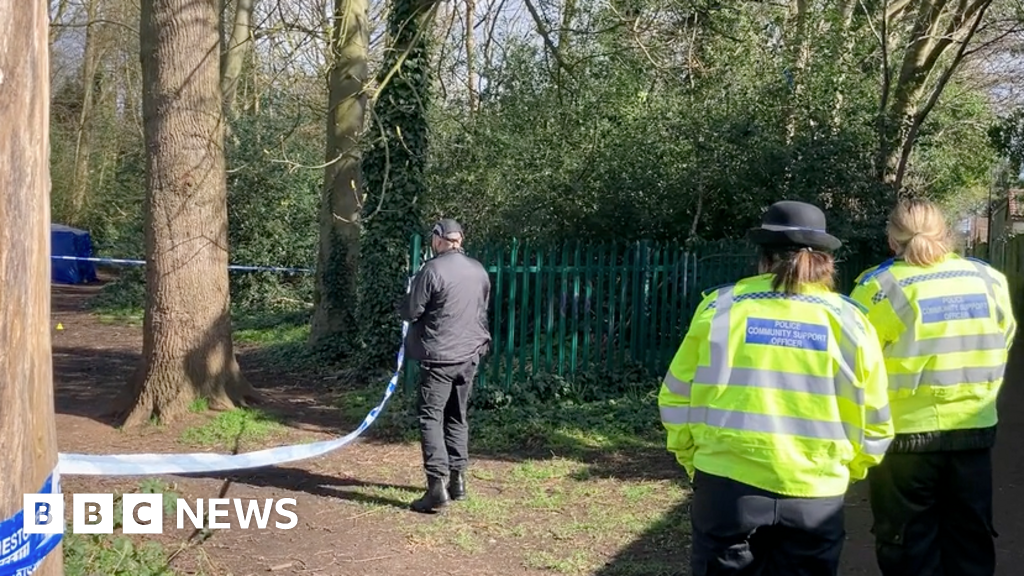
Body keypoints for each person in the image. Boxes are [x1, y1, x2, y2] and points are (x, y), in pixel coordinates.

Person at [659, 200, 894, 576]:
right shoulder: (852, 321)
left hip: (725, 488)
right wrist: (846, 470)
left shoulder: (719, 309)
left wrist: (696, 462)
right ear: (825, 262)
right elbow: (876, 419)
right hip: (816, 493)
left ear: (763, 258)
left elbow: (675, 396)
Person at [850, 198, 1017, 576]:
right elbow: (1003, 338)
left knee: (908, 545)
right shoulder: (989, 280)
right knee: (970, 540)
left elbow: (856, 364)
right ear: (946, 234)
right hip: (973, 432)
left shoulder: (878, 287)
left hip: (904, 439)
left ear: (893, 241)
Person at [399, 218, 492, 514]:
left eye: (433, 239)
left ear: (439, 240)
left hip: (439, 357)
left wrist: (401, 302)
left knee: (430, 418)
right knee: (457, 416)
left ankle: (436, 488)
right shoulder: (478, 270)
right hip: (469, 356)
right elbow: (481, 307)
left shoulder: (432, 269)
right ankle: (458, 482)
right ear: (460, 240)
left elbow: (413, 310)